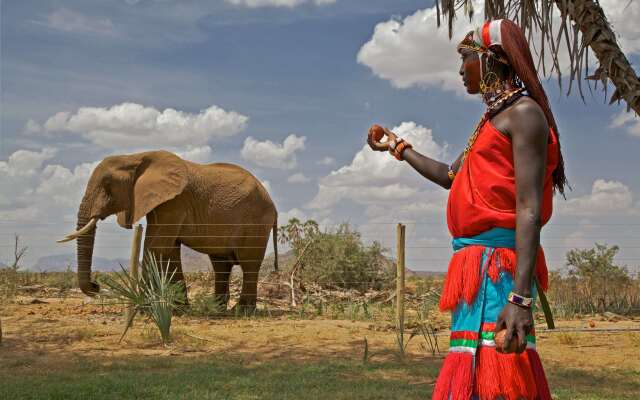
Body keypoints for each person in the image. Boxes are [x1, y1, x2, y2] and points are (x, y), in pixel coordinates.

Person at [367, 19, 566, 400]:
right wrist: (398, 147)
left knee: (500, 379)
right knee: (474, 373)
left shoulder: (523, 115)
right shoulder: (491, 122)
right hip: (475, 270)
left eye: (466, 59)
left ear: (493, 60)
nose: (460, 70)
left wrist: (520, 298)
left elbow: (528, 209)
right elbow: (449, 175)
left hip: (501, 272)